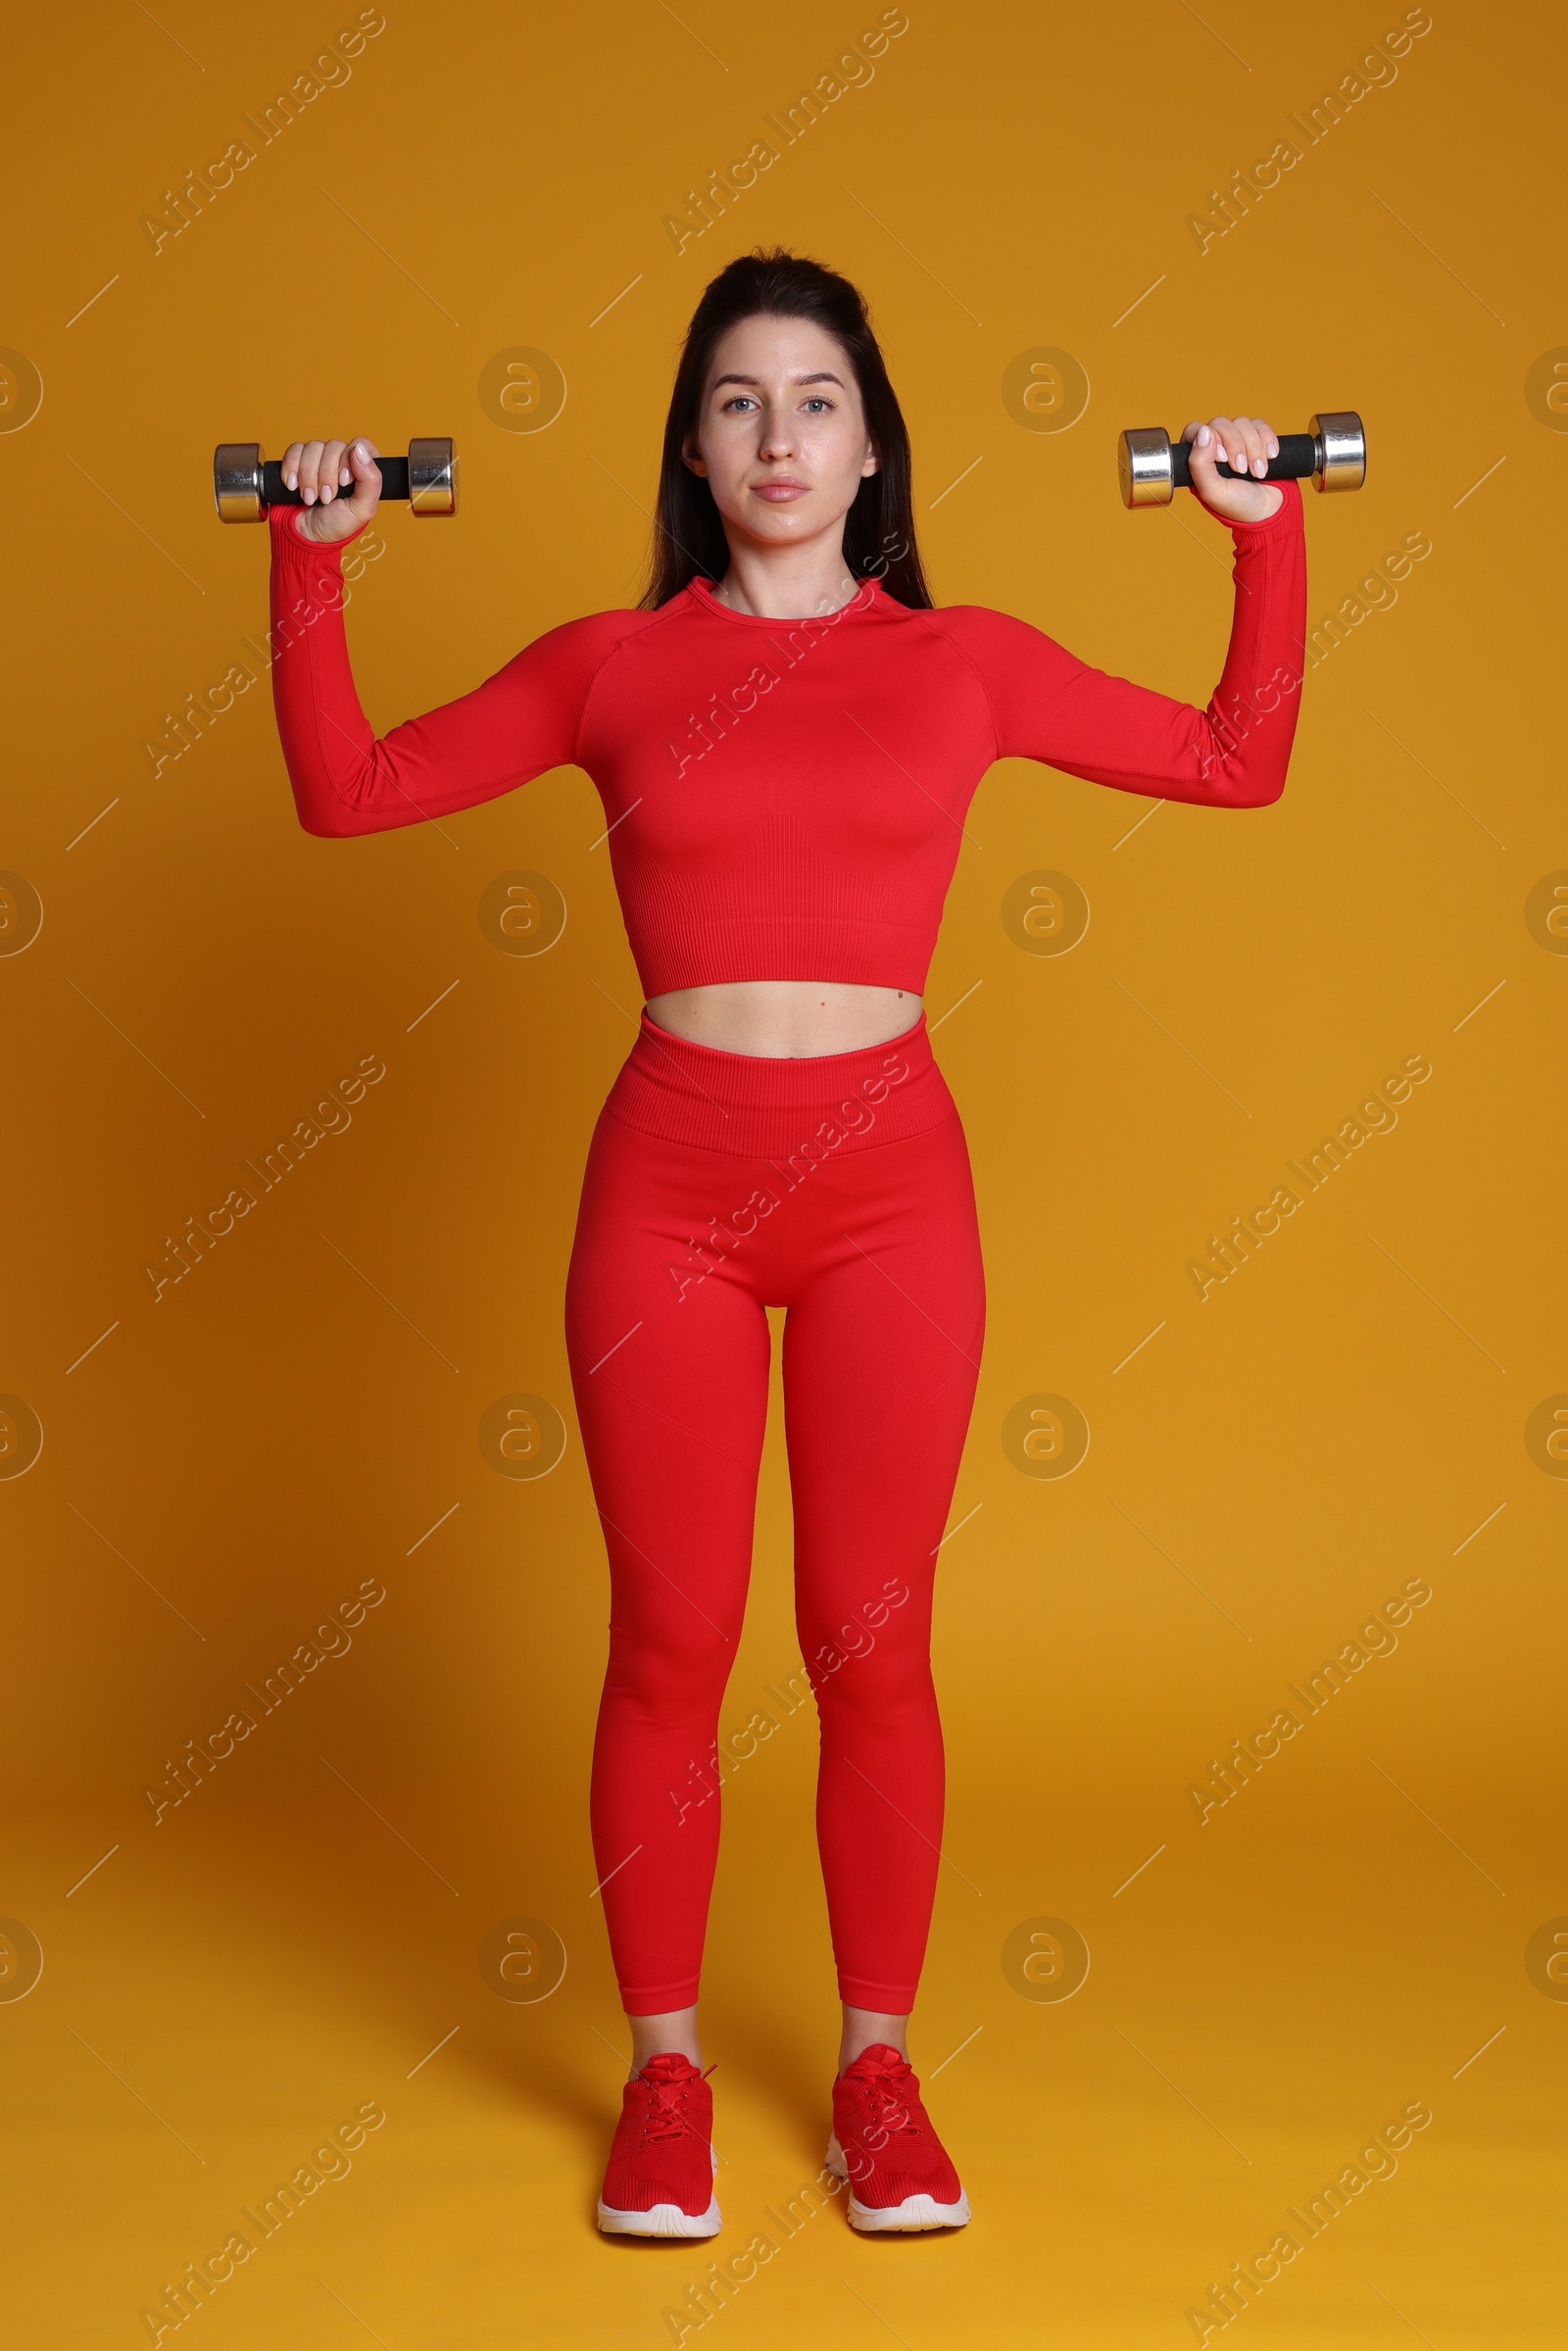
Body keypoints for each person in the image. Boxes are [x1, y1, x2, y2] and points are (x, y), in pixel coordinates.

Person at [264, 246, 1305, 2239]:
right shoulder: (610, 664)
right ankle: (660, 2082)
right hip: (663, 1182)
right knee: (666, 1639)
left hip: (886, 1190)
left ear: (870, 445)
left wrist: (1254, 538)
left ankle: (876, 2074)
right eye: (736, 400)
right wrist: (314, 558)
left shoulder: (962, 662)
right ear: (691, 442)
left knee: (870, 1641)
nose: (775, 435)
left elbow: (1226, 758)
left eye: (814, 399)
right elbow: (349, 788)